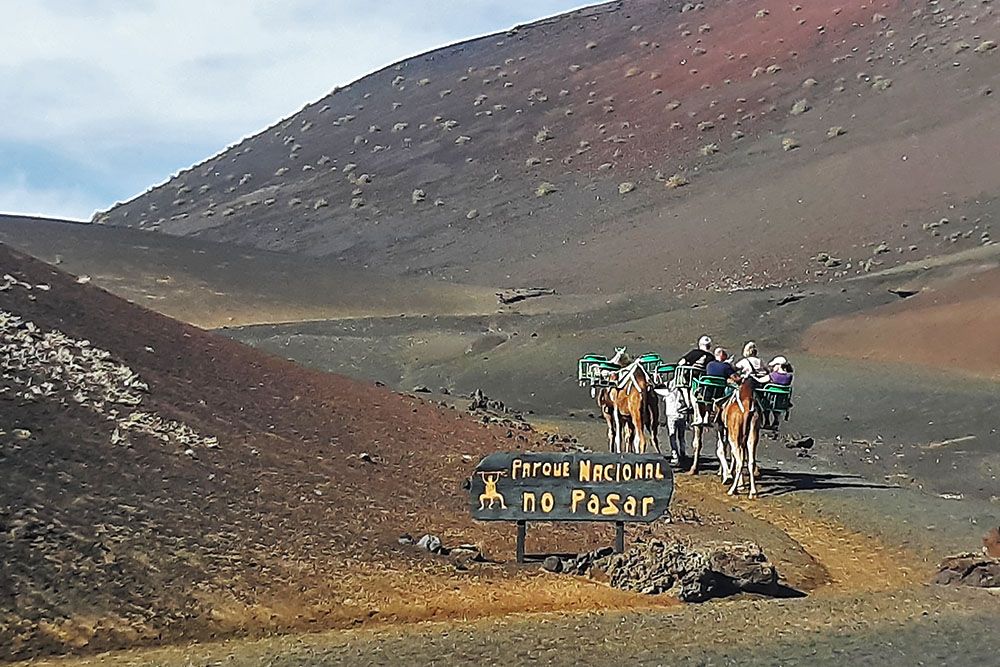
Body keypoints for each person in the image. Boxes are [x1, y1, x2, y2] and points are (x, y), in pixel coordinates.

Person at [676, 335, 715, 414]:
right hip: (704, 379)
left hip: (691, 377)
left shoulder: (694, 353)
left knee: (682, 386)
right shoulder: (712, 357)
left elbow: (681, 362)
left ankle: (686, 403)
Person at [657, 384, 688, 466]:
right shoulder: (683, 388)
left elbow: (657, 390)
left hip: (671, 415)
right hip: (681, 414)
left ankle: (675, 456)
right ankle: (683, 453)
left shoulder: (667, 390)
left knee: (672, 436)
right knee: (681, 436)